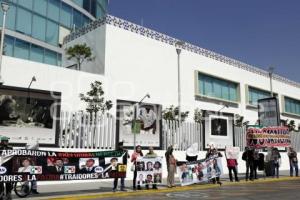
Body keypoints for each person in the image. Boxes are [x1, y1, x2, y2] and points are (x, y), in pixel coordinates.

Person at [0, 136, 13, 200]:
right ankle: (1, 193)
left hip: (8, 167)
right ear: (1, 142)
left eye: (7, 141)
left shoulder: (10, 148)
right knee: (1, 181)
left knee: (8, 181)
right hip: (1, 167)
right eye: (6, 141)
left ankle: (8, 194)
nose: (7, 142)